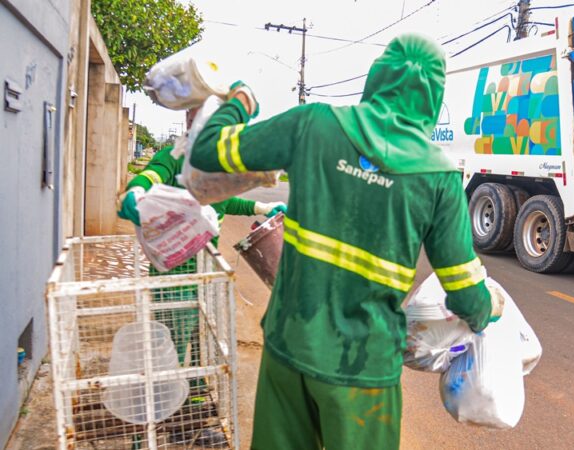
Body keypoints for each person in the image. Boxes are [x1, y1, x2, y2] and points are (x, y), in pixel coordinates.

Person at [189, 34, 504, 450]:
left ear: (376, 79)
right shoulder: (438, 177)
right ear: (433, 97)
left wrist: (240, 100)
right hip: (364, 373)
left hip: (289, 349)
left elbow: (208, 151)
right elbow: (464, 293)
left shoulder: (313, 124)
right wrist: (488, 310)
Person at [117, 106, 285, 447]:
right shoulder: (174, 157)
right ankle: (151, 427)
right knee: (170, 349)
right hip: (173, 277)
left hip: (204, 274)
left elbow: (224, 202)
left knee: (201, 344)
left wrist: (262, 208)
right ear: (191, 126)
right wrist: (134, 190)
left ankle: (191, 410)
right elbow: (151, 175)